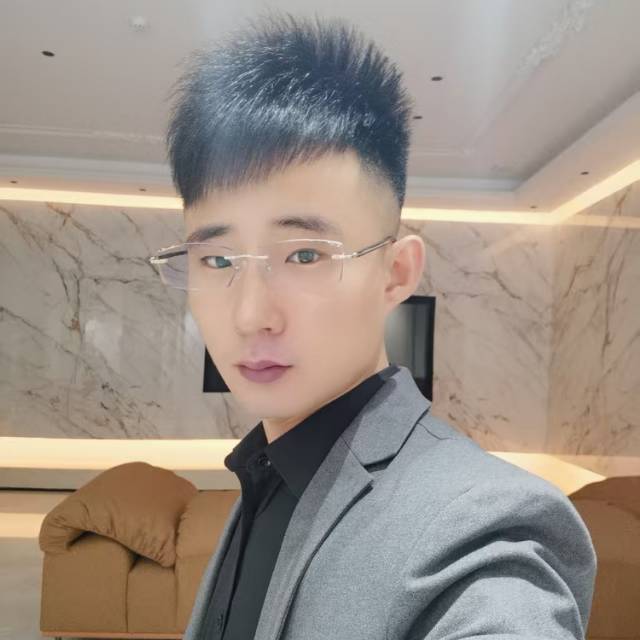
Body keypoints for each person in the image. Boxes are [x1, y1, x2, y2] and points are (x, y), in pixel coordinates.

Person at [152, 9, 597, 640]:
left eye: (305, 255)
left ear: (396, 273)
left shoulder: (479, 526)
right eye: (218, 260)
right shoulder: (267, 468)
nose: (250, 316)